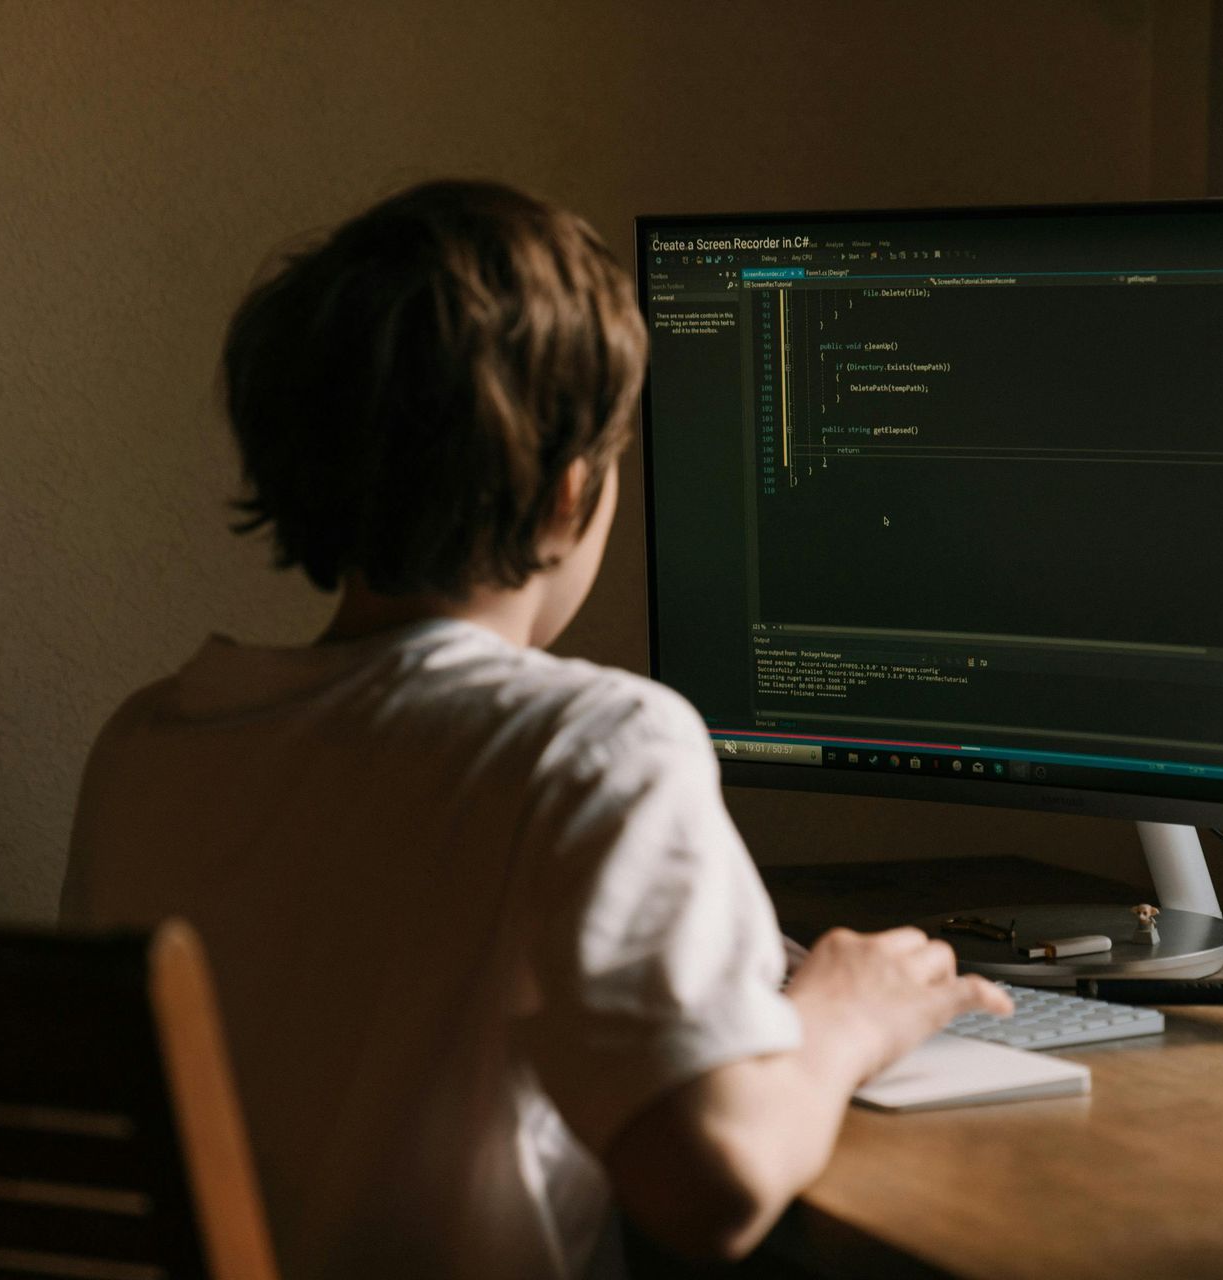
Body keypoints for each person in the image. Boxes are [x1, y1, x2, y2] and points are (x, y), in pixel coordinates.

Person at [60, 179, 1010, 1279]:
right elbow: (714, 1184)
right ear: (572, 492)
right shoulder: (595, 743)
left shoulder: (147, 741)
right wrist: (843, 1016)